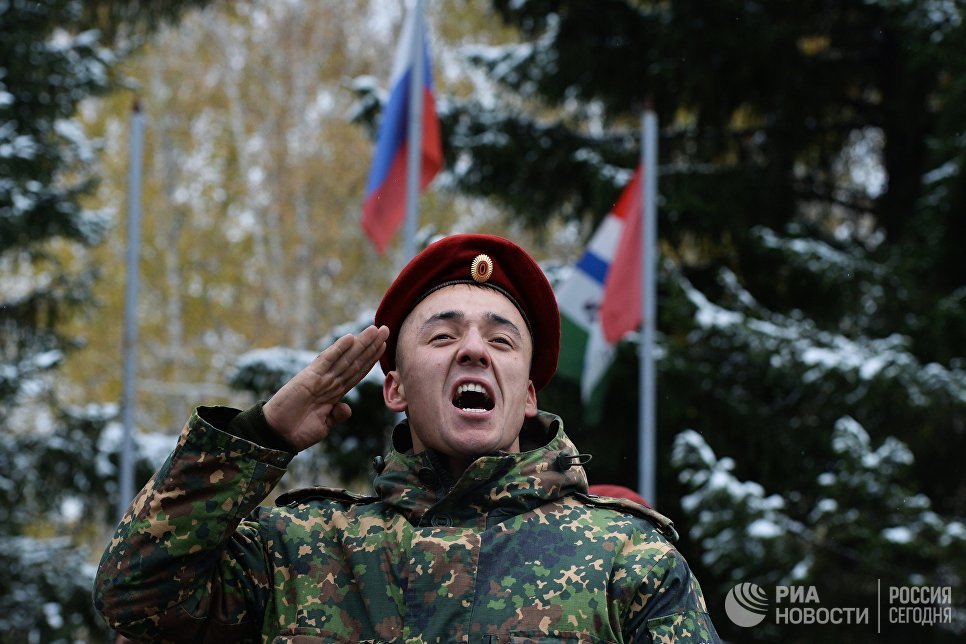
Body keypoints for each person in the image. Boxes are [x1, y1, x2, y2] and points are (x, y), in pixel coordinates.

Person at [94, 234, 720, 643]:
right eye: (443, 336)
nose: (474, 348)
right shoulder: (299, 552)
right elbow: (138, 594)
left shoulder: (625, 559)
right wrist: (265, 435)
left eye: (501, 341)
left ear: (527, 397)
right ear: (394, 388)